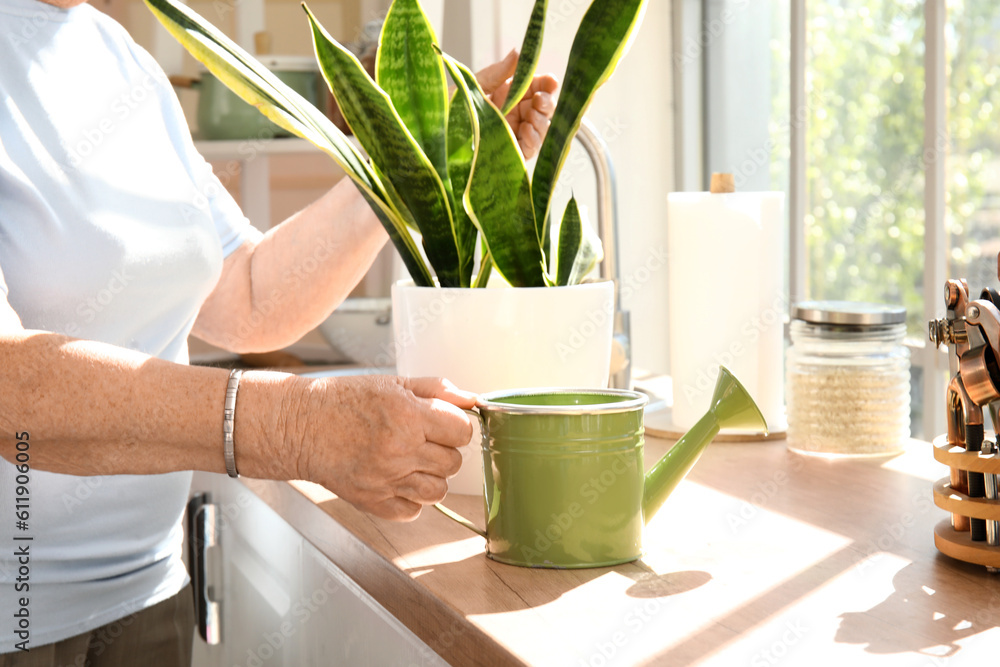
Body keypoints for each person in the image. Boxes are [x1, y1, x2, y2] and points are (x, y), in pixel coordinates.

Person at [0, 0, 559, 662]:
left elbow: (248, 294)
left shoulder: (122, 59)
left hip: (147, 591)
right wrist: (295, 427)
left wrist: (428, 163)